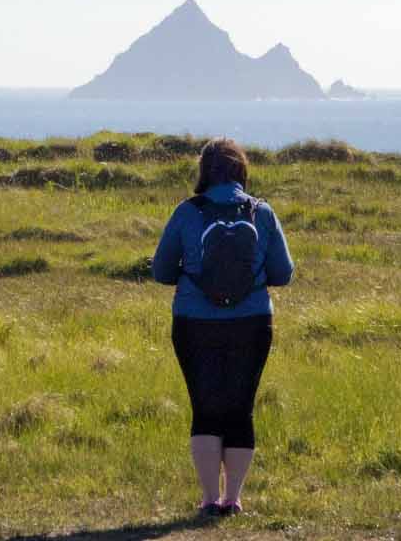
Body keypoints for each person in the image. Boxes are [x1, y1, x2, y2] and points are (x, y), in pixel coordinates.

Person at [151, 137, 295, 518]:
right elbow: (284, 274)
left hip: (194, 322)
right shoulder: (262, 212)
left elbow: (161, 271)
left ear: (204, 171)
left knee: (205, 408)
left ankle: (208, 499)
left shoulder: (186, 212)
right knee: (240, 409)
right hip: (251, 322)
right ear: (242, 171)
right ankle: (233, 498)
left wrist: (193, 274)